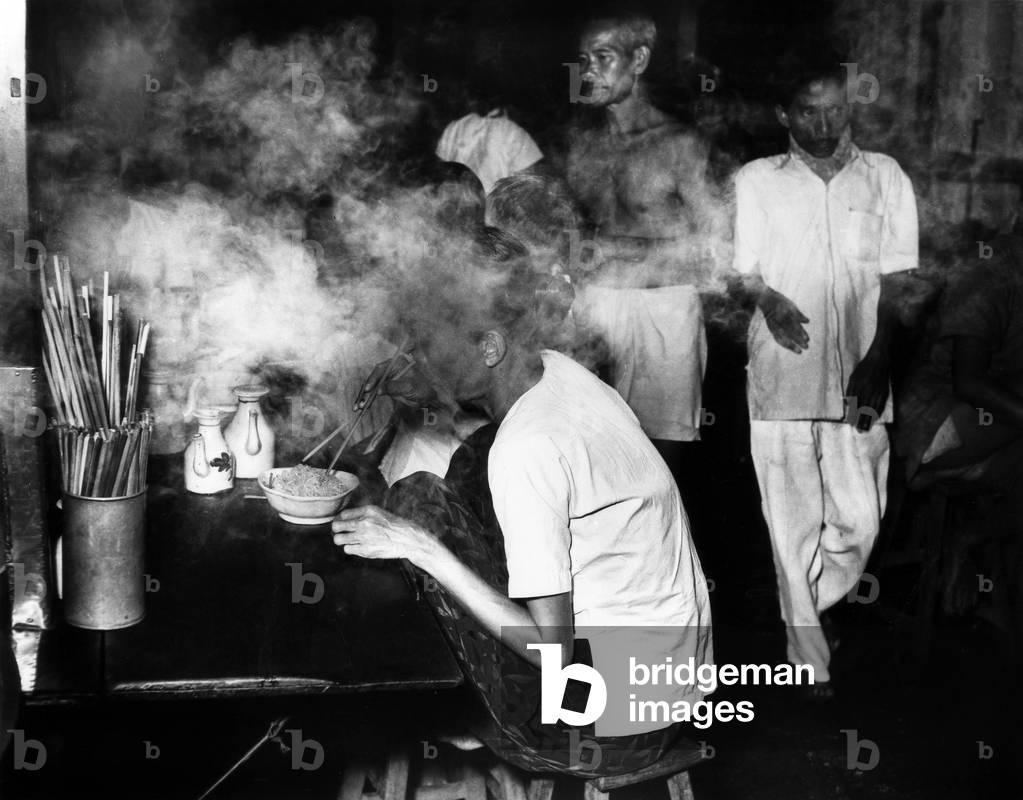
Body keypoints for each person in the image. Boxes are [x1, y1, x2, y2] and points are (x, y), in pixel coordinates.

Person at [332, 267, 712, 774]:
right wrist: (432, 388)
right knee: (474, 455)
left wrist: (422, 547)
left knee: (417, 500)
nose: (416, 361)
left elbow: (553, 651)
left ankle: (457, 707)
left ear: (490, 348)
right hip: (671, 691)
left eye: (426, 348)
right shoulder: (559, 370)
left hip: (605, 726)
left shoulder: (527, 448)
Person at [731, 60, 918, 697]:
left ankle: (808, 606)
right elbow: (743, 269)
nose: (823, 122)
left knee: (861, 519)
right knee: (790, 521)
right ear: (784, 115)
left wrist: (880, 356)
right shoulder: (757, 180)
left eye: (834, 109)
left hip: (863, 375)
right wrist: (770, 301)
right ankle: (808, 654)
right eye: (807, 110)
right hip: (783, 368)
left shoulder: (885, 176)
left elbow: (900, 280)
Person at [562, 7, 723, 483]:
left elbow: (715, 254)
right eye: (584, 58)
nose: (589, 70)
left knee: (657, 473)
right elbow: (575, 236)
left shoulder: (680, 143)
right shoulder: (583, 142)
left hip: (662, 315)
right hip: (596, 310)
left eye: (603, 56)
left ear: (640, 59)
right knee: (590, 459)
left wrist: (621, 252)